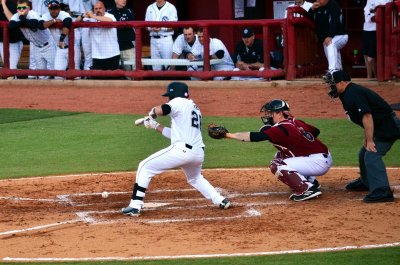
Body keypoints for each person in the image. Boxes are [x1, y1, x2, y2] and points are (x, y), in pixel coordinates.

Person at [122, 82, 232, 216]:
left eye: (169, 96)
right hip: (197, 153)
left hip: (182, 151)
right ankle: (220, 200)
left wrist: (152, 112)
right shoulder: (193, 108)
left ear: (174, 94)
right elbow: (175, 134)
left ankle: (135, 205)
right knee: (195, 178)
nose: (168, 99)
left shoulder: (178, 101)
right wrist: (154, 125)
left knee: (144, 167)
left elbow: (162, 109)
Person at [223, 99, 333, 202]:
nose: (268, 116)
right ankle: (310, 180)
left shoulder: (281, 128)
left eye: (271, 113)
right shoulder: (296, 122)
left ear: (280, 113)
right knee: (281, 154)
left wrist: (227, 135)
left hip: (317, 162)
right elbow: (316, 131)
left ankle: (306, 189)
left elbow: (254, 137)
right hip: (322, 156)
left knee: (277, 165)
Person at [323, 70, 400, 203]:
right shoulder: (347, 93)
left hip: (388, 127)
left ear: (341, 83)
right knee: (363, 153)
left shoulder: (353, 93)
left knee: (371, 155)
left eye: (333, 84)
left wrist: (370, 140)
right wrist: (367, 138)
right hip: (381, 126)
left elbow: (367, 116)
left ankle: (382, 191)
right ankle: (367, 181)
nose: (331, 87)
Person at [9, 0, 56, 79]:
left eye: (24, 7)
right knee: (41, 74)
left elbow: (33, 25)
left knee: (55, 70)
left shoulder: (33, 14)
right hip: (36, 47)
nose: (21, 10)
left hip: (48, 45)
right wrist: (23, 20)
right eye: (19, 8)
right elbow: (11, 26)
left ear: (28, 8)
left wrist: (21, 18)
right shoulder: (16, 16)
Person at [307, 0, 348, 72]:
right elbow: (308, 19)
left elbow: (335, 21)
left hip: (340, 35)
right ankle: (339, 72)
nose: (318, 0)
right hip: (328, 37)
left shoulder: (333, 4)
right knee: (331, 50)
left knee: (331, 45)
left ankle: (333, 71)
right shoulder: (317, 8)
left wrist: (329, 36)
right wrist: (311, 9)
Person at [39, 0, 72, 78]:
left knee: (76, 75)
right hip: (60, 49)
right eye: (52, 9)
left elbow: (68, 21)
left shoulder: (64, 14)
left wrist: (61, 39)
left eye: (56, 8)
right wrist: (53, 21)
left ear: (59, 9)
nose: (54, 10)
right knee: (58, 75)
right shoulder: (46, 16)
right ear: (49, 9)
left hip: (73, 47)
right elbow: (40, 25)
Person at [83, 1, 120, 71]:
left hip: (112, 54)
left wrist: (93, 16)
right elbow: (77, 20)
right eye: (96, 9)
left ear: (104, 9)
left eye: (100, 8)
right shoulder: (91, 18)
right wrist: (83, 15)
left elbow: (110, 21)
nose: (98, 10)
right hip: (97, 55)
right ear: (93, 10)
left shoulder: (109, 15)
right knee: (98, 80)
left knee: (112, 79)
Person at [63, 0, 96, 71]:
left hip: (87, 18)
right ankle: (76, 69)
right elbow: (64, 4)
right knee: (75, 47)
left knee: (87, 47)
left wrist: (91, 15)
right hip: (74, 18)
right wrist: (68, 12)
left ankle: (87, 70)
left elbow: (96, 4)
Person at [362, 0, 391, 79]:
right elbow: (367, 11)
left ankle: (377, 76)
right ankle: (369, 77)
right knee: (366, 54)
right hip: (366, 29)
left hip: (377, 30)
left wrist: (373, 15)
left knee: (371, 58)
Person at [145, 0, 177, 71]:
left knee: (168, 65)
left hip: (165, 39)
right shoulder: (150, 7)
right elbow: (146, 25)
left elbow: (174, 26)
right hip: (153, 39)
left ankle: (169, 82)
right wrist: (152, 28)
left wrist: (161, 28)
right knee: (155, 67)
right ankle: (157, 82)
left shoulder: (171, 7)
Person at [108, 0, 136, 71]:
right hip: (113, 48)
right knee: (113, 72)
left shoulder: (129, 11)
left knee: (130, 72)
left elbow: (129, 25)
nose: (124, 0)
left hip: (127, 46)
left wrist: (117, 25)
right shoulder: (109, 12)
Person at [0, 0, 24, 75]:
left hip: (14, 41)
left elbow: (11, 19)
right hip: (2, 41)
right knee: (8, 67)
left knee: (12, 68)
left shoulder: (11, 5)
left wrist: (3, 4)